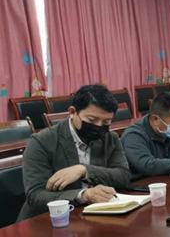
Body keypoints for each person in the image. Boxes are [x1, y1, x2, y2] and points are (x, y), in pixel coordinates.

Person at [17, 84, 131, 221]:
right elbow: (35, 196)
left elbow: (123, 176)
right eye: (92, 120)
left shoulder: (110, 138)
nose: (99, 126)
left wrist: (85, 170)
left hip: (94, 217)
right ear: (72, 112)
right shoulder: (41, 142)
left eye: (106, 121)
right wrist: (83, 195)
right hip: (48, 220)